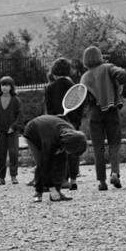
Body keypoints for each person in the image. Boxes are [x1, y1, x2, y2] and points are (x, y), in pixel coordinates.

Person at [79, 44, 126, 191]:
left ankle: (102, 181)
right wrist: (118, 83)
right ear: (99, 56)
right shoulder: (108, 67)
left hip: (94, 114)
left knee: (98, 147)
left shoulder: (84, 77)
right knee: (114, 144)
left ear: (85, 60)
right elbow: (122, 74)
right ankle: (115, 172)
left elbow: (82, 99)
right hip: (111, 110)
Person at [22, 114, 87, 203]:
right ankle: (38, 193)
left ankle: (58, 191)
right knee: (41, 164)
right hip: (32, 133)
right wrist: (51, 188)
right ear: (67, 145)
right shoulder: (51, 140)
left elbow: (68, 160)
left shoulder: (72, 134)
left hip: (49, 130)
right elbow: (46, 163)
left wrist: (73, 178)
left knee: (62, 162)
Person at [44, 58, 83, 188]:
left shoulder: (50, 87)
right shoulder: (74, 86)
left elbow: (49, 109)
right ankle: (73, 180)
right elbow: (80, 106)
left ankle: (63, 179)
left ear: (54, 71)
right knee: (74, 150)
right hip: (73, 123)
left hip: (57, 124)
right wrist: (77, 121)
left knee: (61, 151)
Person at [0, 76, 23, 184]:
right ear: (0, 87)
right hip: (0, 131)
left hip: (12, 131)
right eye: (3, 85)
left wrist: (14, 127)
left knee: (13, 153)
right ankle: (1, 178)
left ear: (11, 87)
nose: (5, 87)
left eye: (7, 85)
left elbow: (20, 115)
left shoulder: (15, 100)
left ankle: (13, 176)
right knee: (1, 155)